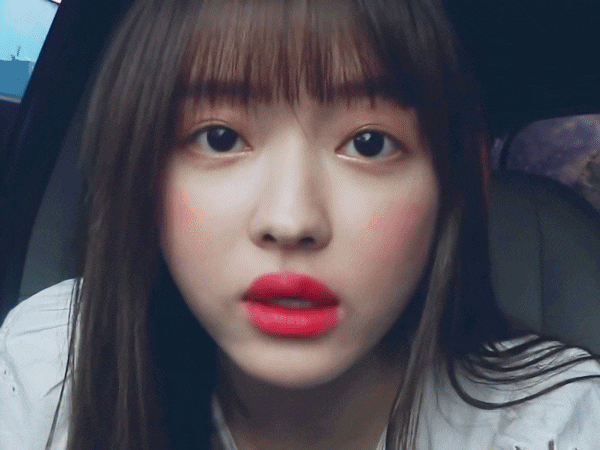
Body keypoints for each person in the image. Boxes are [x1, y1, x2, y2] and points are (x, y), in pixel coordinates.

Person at [1, 0, 599, 449]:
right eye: (220, 137)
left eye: (369, 143)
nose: (290, 221)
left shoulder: (558, 425)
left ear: (457, 188)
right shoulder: (54, 365)